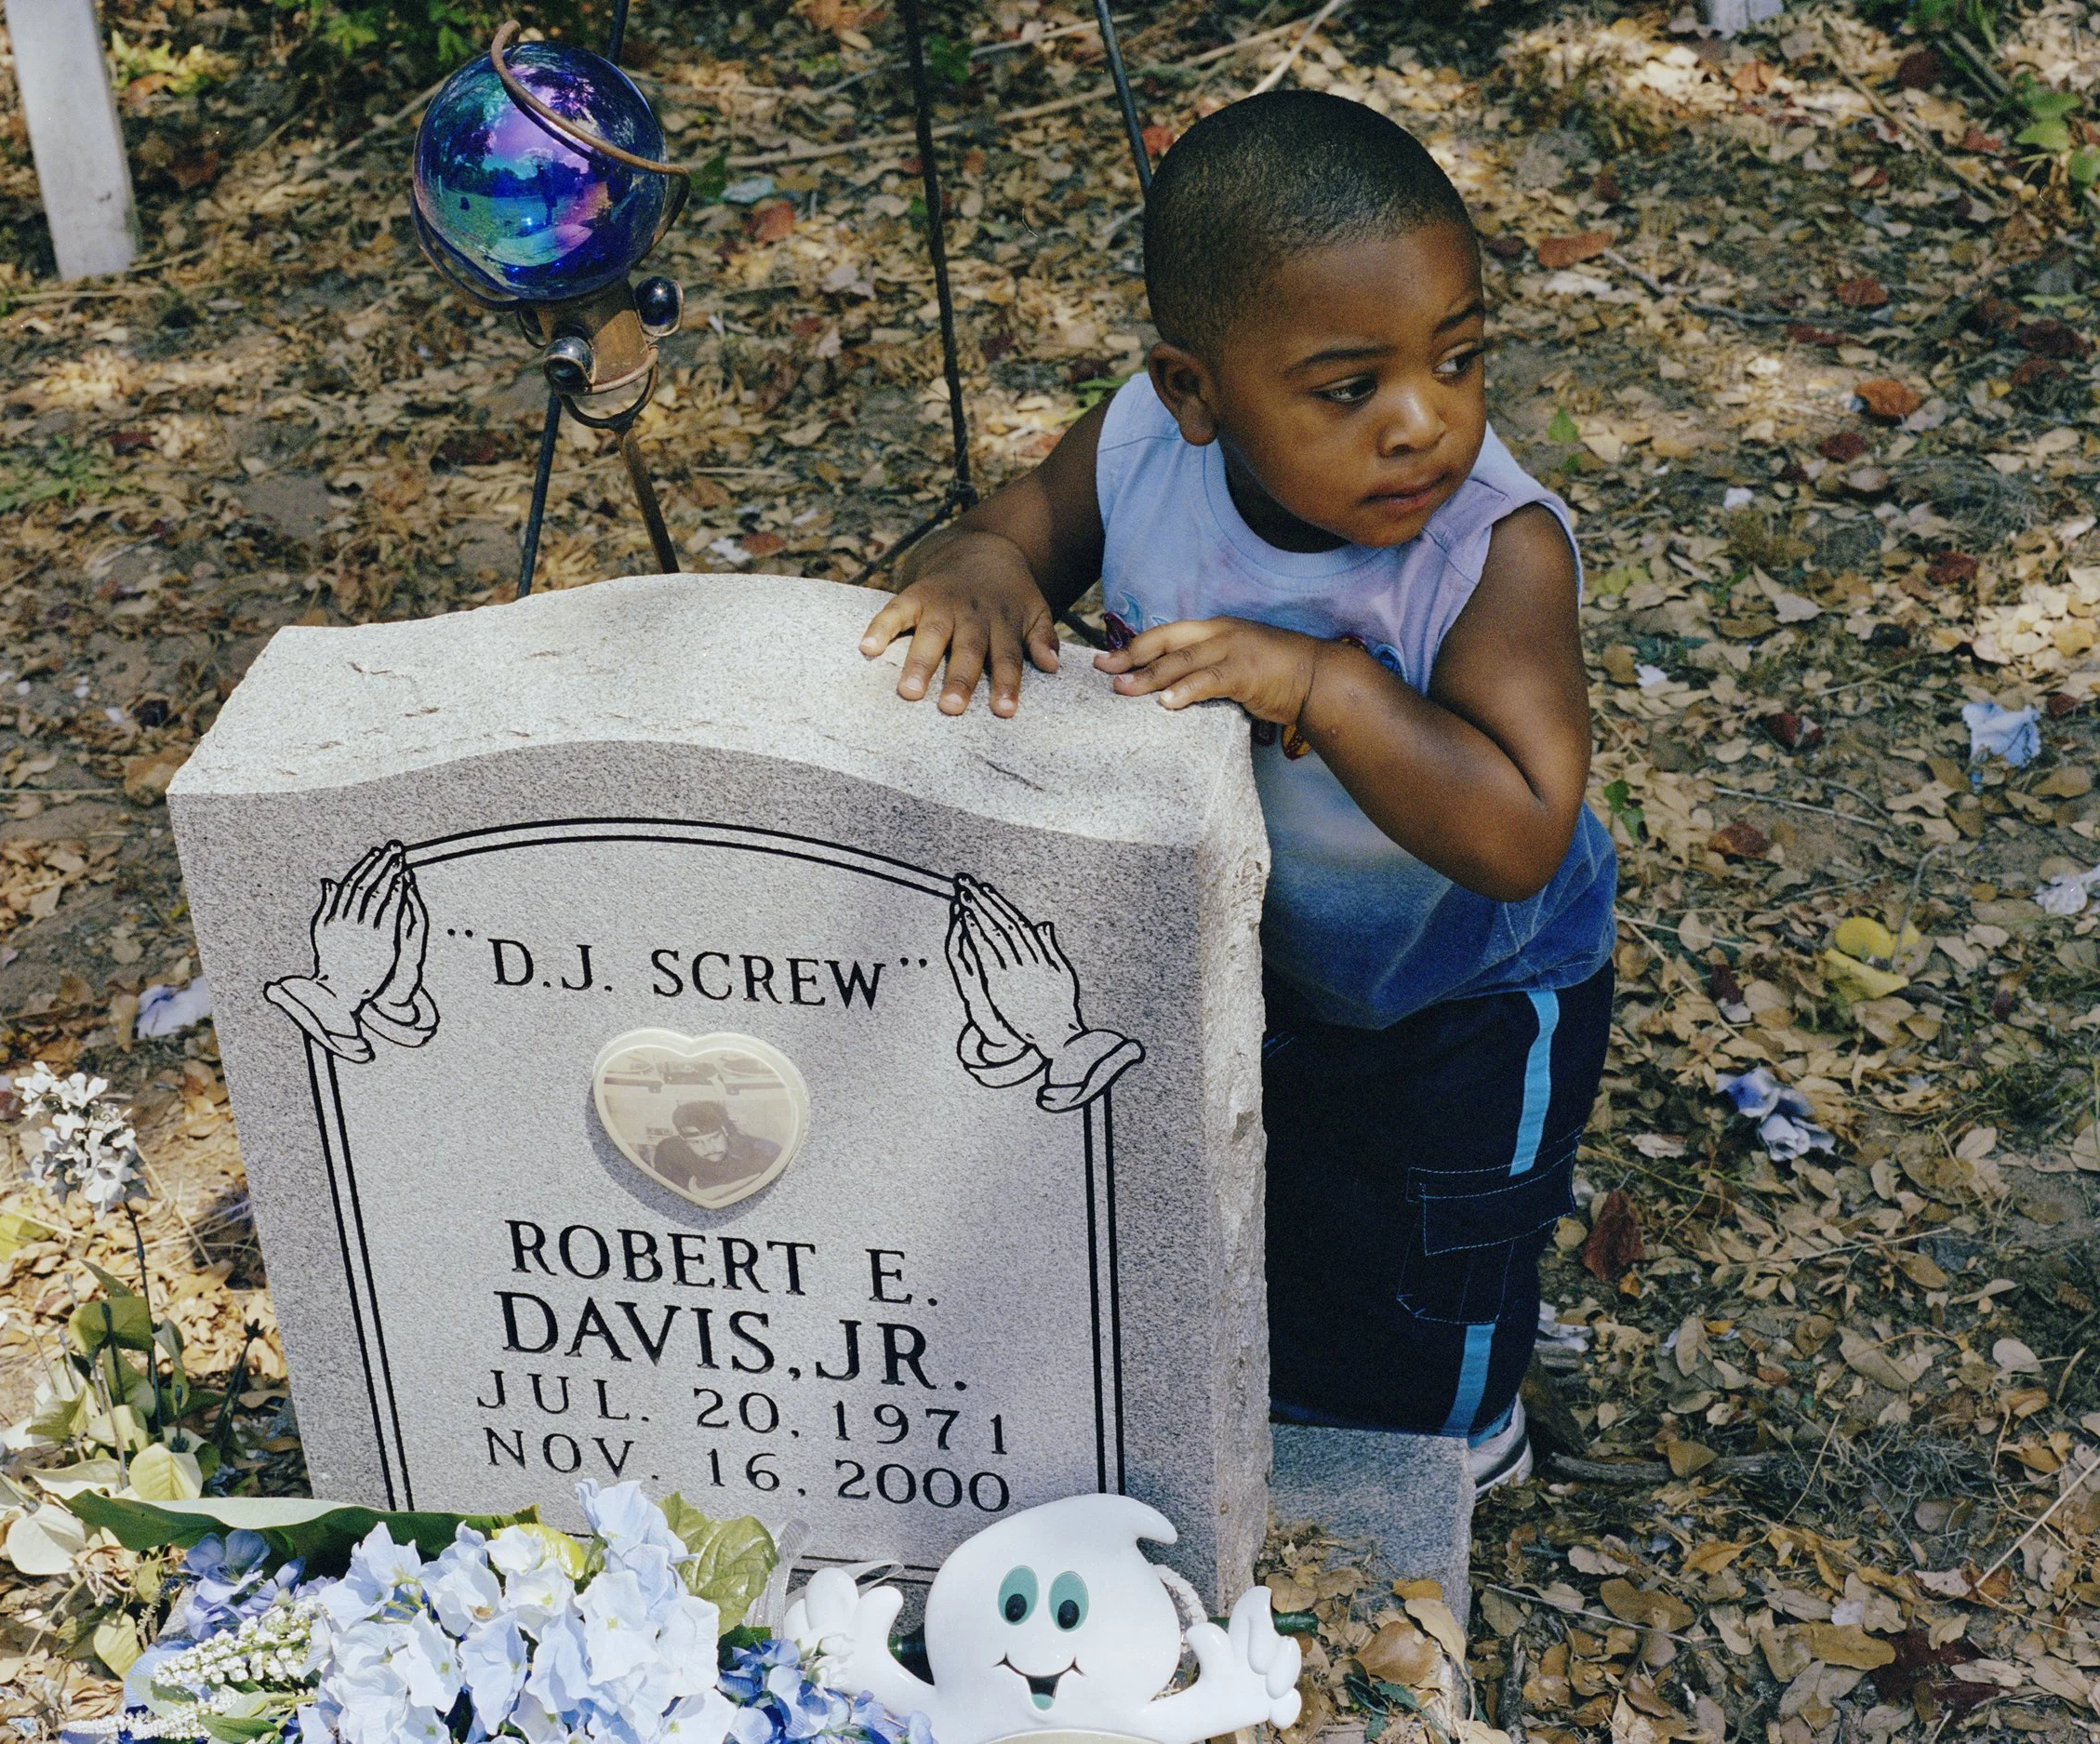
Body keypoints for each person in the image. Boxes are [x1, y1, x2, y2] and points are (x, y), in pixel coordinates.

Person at [857, 91, 1616, 1494]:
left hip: (1463, 992)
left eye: (1459, 359)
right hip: (1258, 949)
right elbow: (1020, 530)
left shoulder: (1488, 552)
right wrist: (976, 563)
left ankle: (1464, 1441)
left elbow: (1520, 832)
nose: (1422, 426)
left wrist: (1324, 683)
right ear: (1193, 390)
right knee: (1284, 1199)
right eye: (1349, 388)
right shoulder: (1145, 447)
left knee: (1425, 1244)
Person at [651, 1099, 779, 1199]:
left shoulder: (762, 1153)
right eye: (696, 1142)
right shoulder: (669, 1152)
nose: (710, 1148)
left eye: (714, 1138)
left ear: (724, 1130)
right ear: (682, 1140)